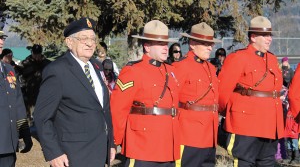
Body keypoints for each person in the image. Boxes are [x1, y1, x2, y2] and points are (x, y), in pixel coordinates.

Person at [34, 17, 115, 167]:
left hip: (98, 151)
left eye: (93, 39)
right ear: (69, 42)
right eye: (83, 38)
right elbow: (42, 117)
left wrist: (110, 143)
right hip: (72, 155)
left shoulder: (97, 67)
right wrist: (54, 153)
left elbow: (104, 109)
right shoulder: (57, 71)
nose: (90, 43)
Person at [110, 20, 180, 167]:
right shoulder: (133, 71)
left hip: (168, 145)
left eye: (166, 44)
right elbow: (118, 109)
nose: (165, 48)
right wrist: (113, 142)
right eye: (160, 44)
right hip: (142, 145)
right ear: (147, 46)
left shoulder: (170, 71)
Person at [218, 16, 284, 166]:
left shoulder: (272, 59)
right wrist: (229, 115)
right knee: (244, 162)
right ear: (253, 37)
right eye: (265, 36)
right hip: (245, 123)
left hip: (269, 123)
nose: (269, 39)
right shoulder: (238, 58)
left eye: (270, 35)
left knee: (267, 162)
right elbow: (223, 91)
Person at [173, 22, 221, 166]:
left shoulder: (211, 68)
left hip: (209, 134)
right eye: (205, 43)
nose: (210, 47)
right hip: (188, 135)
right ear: (192, 44)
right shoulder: (180, 67)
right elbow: (172, 100)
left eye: (211, 43)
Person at [0, 30, 32, 166]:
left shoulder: (9, 70)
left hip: (8, 144)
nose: (1, 42)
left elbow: (17, 102)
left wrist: (24, 131)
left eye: (2, 38)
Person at [19, 44, 51, 121]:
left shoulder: (47, 63)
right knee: (29, 116)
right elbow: (19, 76)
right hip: (29, 94)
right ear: (32, 53)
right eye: (35, 54)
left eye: (38, 54)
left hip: (44, 94)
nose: (36, 56)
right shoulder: (25, 63)